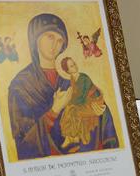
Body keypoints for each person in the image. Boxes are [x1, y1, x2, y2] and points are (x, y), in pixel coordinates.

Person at [8, 14, 118, 160]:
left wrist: (97, 109)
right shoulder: (21, 85)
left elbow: (98, 107)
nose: (55, 45)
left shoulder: (70, 81)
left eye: (60, 40)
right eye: (50, 37)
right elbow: (24, 143)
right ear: (35, 38)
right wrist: (54, 111)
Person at [58, 57, 114, 151]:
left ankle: (73, 138)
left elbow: (82, 97)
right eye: (71, 66)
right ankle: (71, 138)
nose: (75, 66)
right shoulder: (72, 79)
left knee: (72, 111)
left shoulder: (83, 77)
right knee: (69, 111)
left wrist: (69, 103)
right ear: (67, 71)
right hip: (84, 102)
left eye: (74, 63)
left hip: (92, 102)